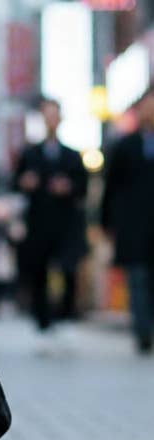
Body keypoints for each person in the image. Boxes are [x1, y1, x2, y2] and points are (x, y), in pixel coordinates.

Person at [13, 98, 88, 349]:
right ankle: (42, 324)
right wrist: (25, 183)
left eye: (54, 115)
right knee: (39, 273)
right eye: (47, 116)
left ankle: (66, 320)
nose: (51, 120)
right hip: (38, 225)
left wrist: (69, 187)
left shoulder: (72, 156)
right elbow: (15, 184)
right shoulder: (30, 154)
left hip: (66, 225)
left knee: (68, 270)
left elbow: (83, 188)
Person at [101, 87, 154, 354]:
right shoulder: (124, 146)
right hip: (133, 225)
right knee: (137, 279)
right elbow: (111, 187)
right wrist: (107, 221)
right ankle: (143, 332)